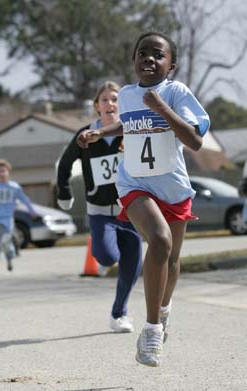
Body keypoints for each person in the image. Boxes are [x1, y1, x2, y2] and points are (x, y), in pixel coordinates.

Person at [76, 32, 210, 366]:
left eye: (157, 54)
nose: (148, 58)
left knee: (173, 262)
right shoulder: (128, 94)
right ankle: (151, 332)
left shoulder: (176, 92)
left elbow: (195, 140)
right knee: (160, 243)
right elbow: (128, 124)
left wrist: (162, 107)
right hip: (134, 184)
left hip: (174, 188)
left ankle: (163, 310)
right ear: (134, 60)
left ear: (171, 64)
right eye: (142, 53)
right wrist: (100, 133)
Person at [57, 81, 142, 333]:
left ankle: (119, 314)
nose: (110, 104)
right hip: (100, 210)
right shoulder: (86, 135)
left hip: (132, 209)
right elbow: (65, 162)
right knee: (106, 256)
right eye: (104, 100)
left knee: (133, 266)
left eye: (114, 99)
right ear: (97, 106)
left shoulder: (132, 131)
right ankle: (107, 257)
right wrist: (63, 191)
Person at [0, 159, 37, 280]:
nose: (1, 173)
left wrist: (31, 210)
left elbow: (24, 199)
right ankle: (10, 257)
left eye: (3, 170)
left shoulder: (14, 187)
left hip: (6, 220)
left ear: (8, 172)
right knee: (1, 243)